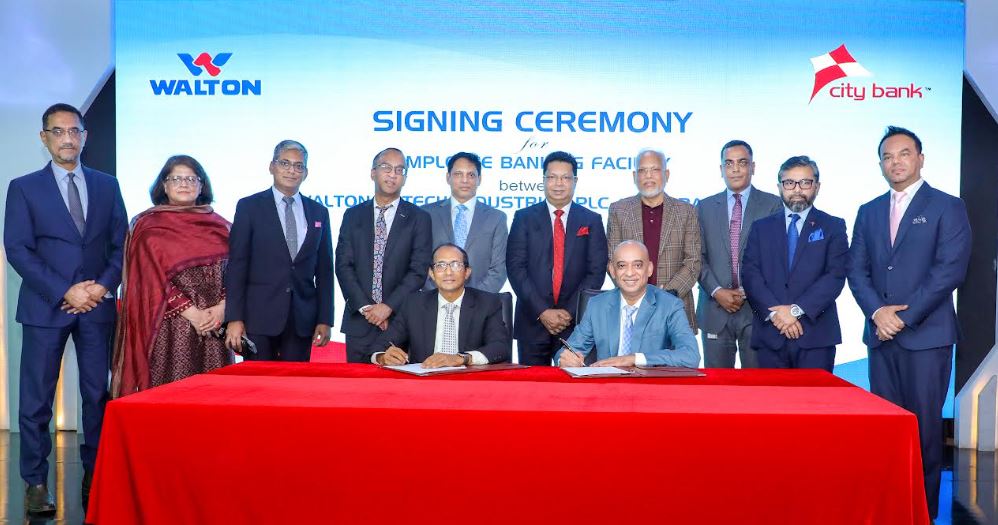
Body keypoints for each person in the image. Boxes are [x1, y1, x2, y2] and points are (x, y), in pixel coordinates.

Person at [3, 103, 127, 514]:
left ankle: (96, 473)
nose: (67, 138)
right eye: (58, 131)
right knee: (36, 400)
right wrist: (65, 291)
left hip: (97, 306)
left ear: (85, 136)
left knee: (97, 395)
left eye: (74, 131)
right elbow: (17, 249)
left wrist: (102, 286)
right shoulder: (23, 187)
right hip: (45, 307)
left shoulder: (107, 185)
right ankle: (35, 482)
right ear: (44, 138)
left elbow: (120, 245)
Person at [847, 126, 971, 519]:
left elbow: (949, 271)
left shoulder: (947, 206)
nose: (895, 162)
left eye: (904, 154)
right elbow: (857, 270)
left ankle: (922, 510)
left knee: (925, 428)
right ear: (880, 164)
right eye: (887, 156)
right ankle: (888, 506)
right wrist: (877, 313)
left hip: (926, 336)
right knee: (886, 428)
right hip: (880, 336)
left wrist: (903, 317)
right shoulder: (868, 211)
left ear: (920, 158)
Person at [111, 155, 232, 398]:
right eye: (176, 178)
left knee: (214, 397)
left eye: (191, 178)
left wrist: (222, 307)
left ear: (201, 186)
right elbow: (149, 281)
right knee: (171, 396)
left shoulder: (222, 226)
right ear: (164, 186)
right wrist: (193, 314)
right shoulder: (148, 227)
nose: (184, 183)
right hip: (169, 328)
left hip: (214, 326)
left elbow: (235, 272)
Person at [224, 140, 334, 362]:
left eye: (298, 166)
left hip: (302, 319)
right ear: (271, 166)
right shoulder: (249, 207)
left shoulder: (318, 212)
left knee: (295, 383)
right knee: (259, 382)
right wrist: (234, 317)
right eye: (285, 163)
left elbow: (324, 270)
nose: (291, 170)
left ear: (306, 173)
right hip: (258, 317)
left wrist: (325, 318)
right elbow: (237, 266)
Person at [740, 156, 848, 372]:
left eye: (805, 182)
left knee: (814, 396)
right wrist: (777, 315)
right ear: (780, 187)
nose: (797, 189)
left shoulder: (833, 226)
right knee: (771, 395)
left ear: (817, 186)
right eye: (789, 183)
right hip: (771, 334)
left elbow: (835, 276)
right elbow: (751, 274)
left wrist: (796, 310)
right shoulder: (761, 227)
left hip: (816, 336)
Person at [506, 151, 608, 365]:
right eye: (552, 177)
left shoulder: (591, 220)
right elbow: (516, 268)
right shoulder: (523, 217)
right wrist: (542, 311)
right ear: (543, 180)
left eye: (565, 177)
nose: (558, 183)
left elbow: (596, 272)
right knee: (532, 384)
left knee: (573, 383)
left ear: (575, 181)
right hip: (532, 320)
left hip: (575, 325)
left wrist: (569, 313)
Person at [336, 147, 432, 362]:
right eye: (386, 167)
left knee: (398, 382)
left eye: (399, 170)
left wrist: (388, 307)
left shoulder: (419, 218)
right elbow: (343, 265)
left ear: (405, 178)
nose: (393, 174)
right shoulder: (353, 215)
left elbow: (418, 271)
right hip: (359, 321)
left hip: (400, 322)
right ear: (373, 173)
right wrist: (367, 309)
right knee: (357, 382)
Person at [696, 140, 783, 368]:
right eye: (729, 163)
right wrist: (717, 291)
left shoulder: (773, 205)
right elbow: (697, 257)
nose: (735, 169)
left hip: (757, 310)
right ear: (721, 169)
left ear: (753, 167)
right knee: (717, 385)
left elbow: (775, 258)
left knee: (756, 385)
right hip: (714, 309)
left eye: (742, 163)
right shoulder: (704, 207)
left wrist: (748, 290)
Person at [557, 241, 699, 368]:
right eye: (622, 266)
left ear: (649, 269)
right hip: (607, 385)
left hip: (650, 386)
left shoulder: (670, 305)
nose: (630, 273)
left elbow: (691, 356)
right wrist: (565, 360)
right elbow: (567, 351)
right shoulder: (597, 305)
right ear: (612, 270)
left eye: (637, 265)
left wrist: (634, 359)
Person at [606, 148, 701, 330]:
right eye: (642, 171)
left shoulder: (686, 211)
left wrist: (667, 295)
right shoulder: (618, 210)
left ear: (666, 174)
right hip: (631, 308)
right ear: (634, 176)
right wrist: (637, 294)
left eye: (655, 170)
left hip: (675, 307)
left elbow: (693, 262)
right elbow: (612, 260)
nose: (648, 176)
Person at [373, 243, 511, 366]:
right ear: (431, 274)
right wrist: (383, 357)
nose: (448, 272)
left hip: (469, 380)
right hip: (424, 380)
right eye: (440, 265)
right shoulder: (414, 304)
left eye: (456, 265)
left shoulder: (487, 303)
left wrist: (462, 358)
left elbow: (500, 347)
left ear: (467, 272)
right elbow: (380, 345)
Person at [422, 152, 508, 292]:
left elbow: (499, 270)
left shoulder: (496, 218)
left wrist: (474, 299)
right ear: (448, 177)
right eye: (458, 174)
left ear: (479, 179)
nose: (465, 180)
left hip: (480, 301)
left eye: (471, 175)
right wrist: (439, 296)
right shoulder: (426, 214)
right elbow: (418, 263)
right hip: (433, 299)